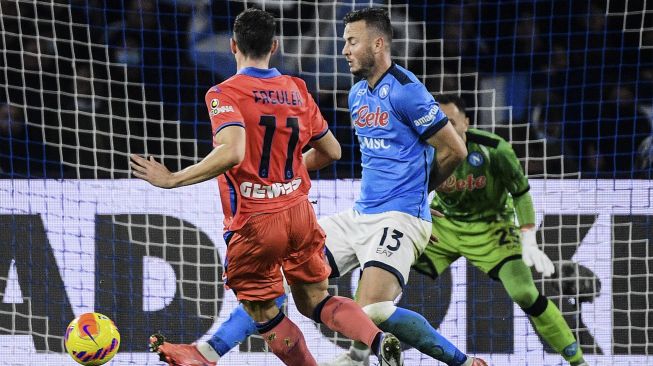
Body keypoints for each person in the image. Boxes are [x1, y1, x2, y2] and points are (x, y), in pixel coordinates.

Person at [146, 7, 487, 366]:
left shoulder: (407, 90)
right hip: (361, 214)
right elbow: (332, 151)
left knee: (373, 309)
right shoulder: (356, 95)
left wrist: (416, 201)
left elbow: (454, 149)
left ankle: (462, 363)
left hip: (399, 216)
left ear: (378, 43)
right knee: (281, 278)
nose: (344, 50)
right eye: (344, 42)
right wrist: (284, 174)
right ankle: (209, 351)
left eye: (352, 42)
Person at [409, 94, 587, 366]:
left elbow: (521, 192)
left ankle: (578, 362)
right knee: (385, 268)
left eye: (451, 123)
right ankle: (359, 351)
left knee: (525, 293)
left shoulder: (495, 149)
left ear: (466, 123)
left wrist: (528, 236)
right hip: (444, 225)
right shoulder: (423, 150)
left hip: (493, 226)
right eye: (438, 123)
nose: (444, 130)